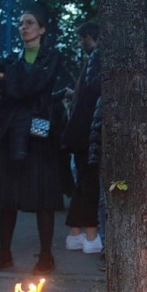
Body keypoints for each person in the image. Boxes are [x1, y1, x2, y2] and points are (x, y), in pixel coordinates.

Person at [0, 5, 66, 275]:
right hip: (12, 131)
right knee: (8, 195)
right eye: (20, 23)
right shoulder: (11, 59)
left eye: (30, 23)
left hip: (39, 131)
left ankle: (46, 256)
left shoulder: (51, 57)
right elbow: (4, 88)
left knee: (43, 195)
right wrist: (9, 82)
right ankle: (4, 253)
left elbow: (36, 85)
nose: (24, 27)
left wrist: (7, 80)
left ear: (42, 29)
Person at [62, 19, 102, 254]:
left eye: (82, 38)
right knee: (89, 184)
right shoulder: (98, 57)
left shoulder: (92, 59)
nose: (81, 43)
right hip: (90, 130)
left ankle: (76, 234)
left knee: (83, 183)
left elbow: (85, 93)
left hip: (80, 131)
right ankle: (90, 234)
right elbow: (93, 91)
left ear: (90, 36)